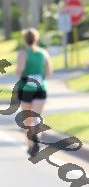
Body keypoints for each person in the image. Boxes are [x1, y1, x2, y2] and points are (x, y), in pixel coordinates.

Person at [16, 28, 52, 156]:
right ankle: (37, 136)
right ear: (36, 39)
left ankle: (30, 145)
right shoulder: (43, 52)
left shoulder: (23, 53)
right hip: (41, 87)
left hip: (25, 88)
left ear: (24, 39)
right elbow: (48, 71)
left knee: (27, 119)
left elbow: (19, 70)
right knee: (37, 116)